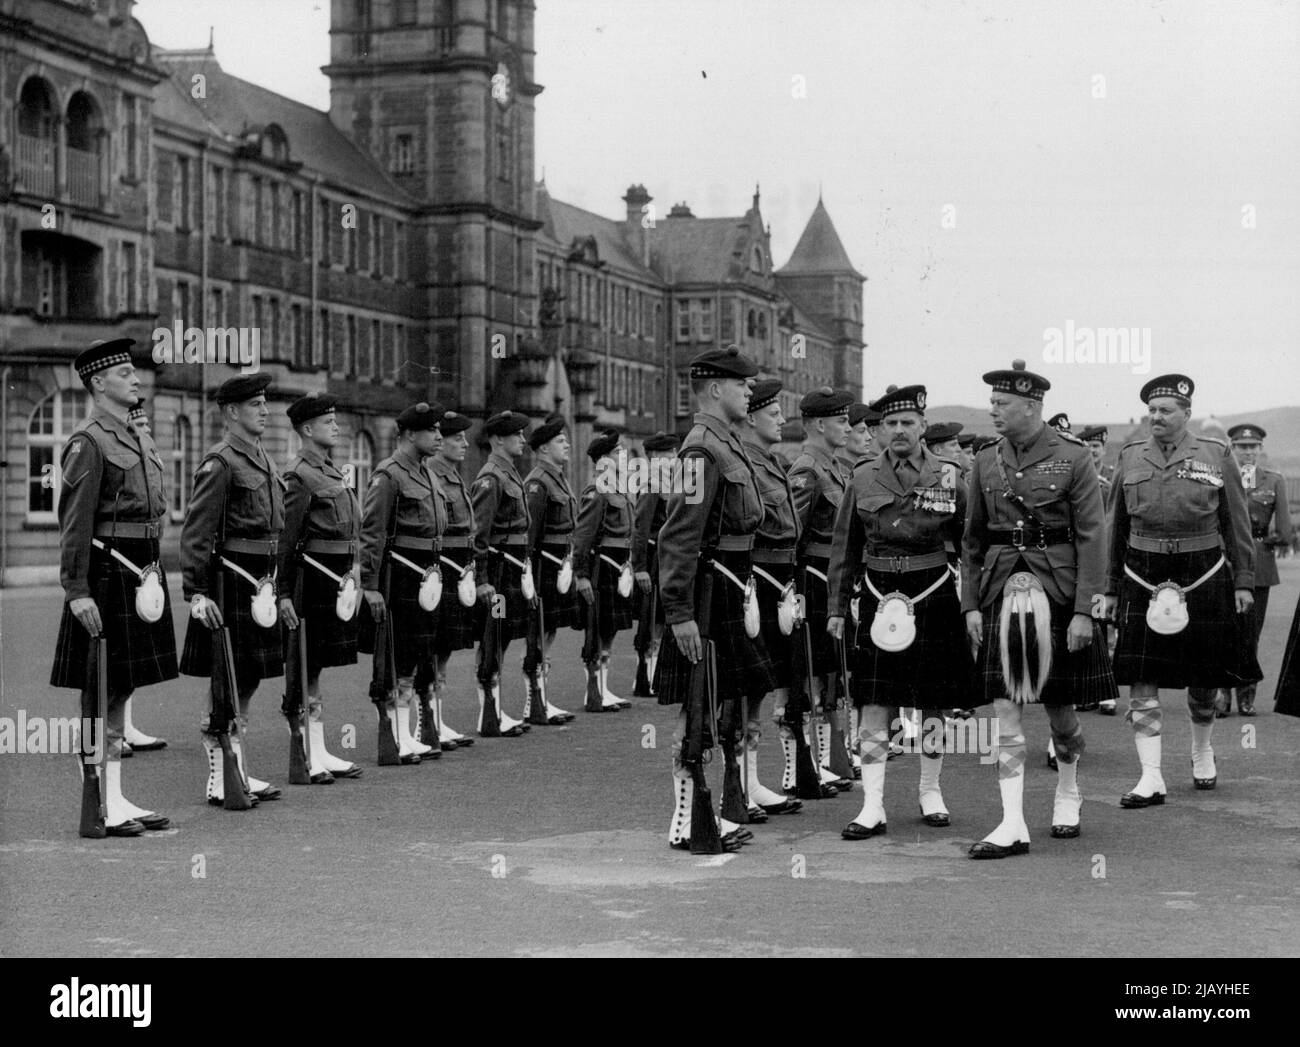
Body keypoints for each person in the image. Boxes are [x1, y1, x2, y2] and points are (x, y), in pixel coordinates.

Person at [963, 360, 1116, 857]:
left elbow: (1094, 538)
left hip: (1058, 592)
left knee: (1061, 711)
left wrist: (1085, 612)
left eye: (1002, 404)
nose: (994, 411)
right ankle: (1012, 823)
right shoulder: (985, 459)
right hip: (1000, 593)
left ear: (1031, 407)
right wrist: (970, 605)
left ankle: (1068, 789)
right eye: (991, 403)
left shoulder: (1073, 458)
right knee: (1005, 706)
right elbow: (972, 541)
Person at [1107, 375, 1259, 806]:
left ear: (1186, 414)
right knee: (1141, 675)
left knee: (1205, 676)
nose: (1156, 417)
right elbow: (1114, 527)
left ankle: (1203, 750)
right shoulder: (1131, 456)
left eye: (1166, 411)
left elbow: (1237, 524)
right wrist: (1111, 587)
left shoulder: (1215, 453)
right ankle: (1150, 775)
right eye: (1152, 411)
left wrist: (1243, 581)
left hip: (1204, 571)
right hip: (1142, 570)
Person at [827, 385, 970, 840]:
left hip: (934, 593)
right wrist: (835, 606)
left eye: (908, 422)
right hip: (877, 592)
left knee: (933, 702)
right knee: (875, 701)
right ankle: (872, 806)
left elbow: (971, 543)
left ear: (923, 426)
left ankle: (930, 791)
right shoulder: (863, 476)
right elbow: (845, 546)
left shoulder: (949, 476)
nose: (899, 431)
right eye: (890, 423)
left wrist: (973, 606)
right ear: (880, 429)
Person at [50, 340, 175, 836]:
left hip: (141, 568)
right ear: (98, 382)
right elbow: (74, 523)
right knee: (97, 688)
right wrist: (76, 589)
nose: (136, 379)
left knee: (122, 684)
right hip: (106, 571)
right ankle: (97, 796)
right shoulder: (88, 441)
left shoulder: (136, 436)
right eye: (125, 373)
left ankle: (117, 796)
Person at [655, 346, 776, 851]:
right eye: (742, 385)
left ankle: (705, 814)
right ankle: (685, 819)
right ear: (714, 389)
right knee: (695, 707)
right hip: (708, 594)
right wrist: (679, 614)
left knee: (721, 700)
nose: (751, 392)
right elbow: (678, 537)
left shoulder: (730, 443)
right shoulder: (702, 449)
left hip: (730, 585)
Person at [180, 372, 285, 806]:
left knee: (252, 674)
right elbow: (197, 530)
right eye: (255, 404)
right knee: (227, 677)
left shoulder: (264, 458)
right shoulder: (220, 462)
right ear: (231, 412)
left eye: (264, 403)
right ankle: (219, 773)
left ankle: (236, 765)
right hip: (233, 577)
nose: (264, 410)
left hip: (262, 579)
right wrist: (196, 590)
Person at [276, 393, 364, 783]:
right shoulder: (298, 476)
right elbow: (285, 540)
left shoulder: (331, 473)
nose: (337, 427)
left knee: (318, 667)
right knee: (304, 665)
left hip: (333, 579)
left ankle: (319, 749)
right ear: (307, 430)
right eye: (328, 422)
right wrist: (281, 594)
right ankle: (304, 753)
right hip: (308, 581)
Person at [359, 403, 447, 763]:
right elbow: (372, 532)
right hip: (401, 573)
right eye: (432, 430)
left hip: (427, 574)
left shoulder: (428, 473)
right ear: (410, 434)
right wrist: (370, 584)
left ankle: (406, 732)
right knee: (398, 657)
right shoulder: (389, 475)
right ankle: (395, 733)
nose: (439, 436)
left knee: (416, 657)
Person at [738, 379, 804, 819]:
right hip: (756, 577)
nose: (781, 419)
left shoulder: (772, 462)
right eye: (773, 413)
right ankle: (740, 783)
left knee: (764, 685)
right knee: (746, 687)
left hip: (779, 578)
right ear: (751, 418)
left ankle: (752, 780)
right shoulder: (745, 463)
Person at [789, 387, 856, 794]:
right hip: (813, 579)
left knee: (832, 672)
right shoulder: (808, 470)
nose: (848, 427)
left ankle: (828, 758)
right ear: (817, 424)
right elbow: (791, 535)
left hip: (833, 577)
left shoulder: (836, 467)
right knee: (814, 673)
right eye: (841, 420)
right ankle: (809, 762)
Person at [1215, 424, 1292, 716]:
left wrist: (1263, 542)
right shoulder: (1219, 477)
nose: (1247, 452)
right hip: (1224, 562)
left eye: (1252, 447)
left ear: (1261, 449)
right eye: (1241, 447)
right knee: (1223, 630)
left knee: (1250, 632)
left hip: (1258, 565)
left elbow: (1284, 531)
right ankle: (1222, 694)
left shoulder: (1274, 481)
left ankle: (1246, 695)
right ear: (1231, 448)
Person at [471, 411, 535, 737]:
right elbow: (479, 533)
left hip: (512, 569)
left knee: (505, 633)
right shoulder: (491, 477)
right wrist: (482, 579)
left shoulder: (510, 474)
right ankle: (489, 708)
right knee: (494, 633)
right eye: (516, 435)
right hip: (497, 571)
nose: (523, 440)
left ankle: (494, 705)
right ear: (498, 439)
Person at [422, 411, 477, 748]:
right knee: (431, 642)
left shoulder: (454, 477)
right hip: (439, 564)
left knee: (446, 645)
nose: (464, 444)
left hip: (458, 565)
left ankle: (436, 718)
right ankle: (424, 718)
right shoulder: (433, 476)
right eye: (457, 438)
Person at [522, 413, 580, 724]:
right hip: (544, 563)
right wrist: (528, 573)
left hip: (560, 564)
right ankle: (534, 701)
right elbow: (530, 535)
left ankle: (543, 697)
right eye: (560, 441)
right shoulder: (538, 483)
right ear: (543, 449)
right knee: (538, 633)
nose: (567, 444)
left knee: (550, 631)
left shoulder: (558, 477)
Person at [118, 395, 167, 758]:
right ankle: (96, 733)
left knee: (133, 649)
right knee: (105, 655)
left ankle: (125, 726)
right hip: (118, 553)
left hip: (145, 553)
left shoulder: (147, 451)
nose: (145, 431)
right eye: (139, 424)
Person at [573, 429, 636, 712]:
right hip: (602, 567)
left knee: (610, 629)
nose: (623, 456)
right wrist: (582, 575)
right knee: (597, 629)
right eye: (617, 452)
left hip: (618, 564)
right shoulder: (596, 490)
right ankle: (593, 689)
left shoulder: (618, 488)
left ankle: (604, 687)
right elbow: (584, 536)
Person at [631, 432, 680, 696]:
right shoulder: (651, 484)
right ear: (652, 457)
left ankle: (652, 673)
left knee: (660, 617)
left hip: (666, 557)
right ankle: (645, 675)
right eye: (667, 454)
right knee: (650, 619)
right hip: (652, 558)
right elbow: (640, 528)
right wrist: (639, 567)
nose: (673, 458)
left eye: (674, 453)